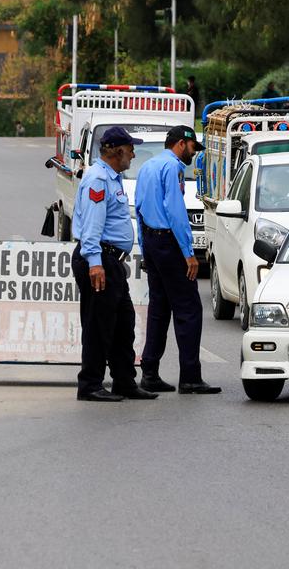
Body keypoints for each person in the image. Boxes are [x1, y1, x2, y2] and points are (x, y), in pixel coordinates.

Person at [71, 127, 159, 402]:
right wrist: (95, 263)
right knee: (99, 325)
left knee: (123, 323)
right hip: (99, 260)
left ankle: (124, 381)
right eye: (131, 149)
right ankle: (90, 384)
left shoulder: (112, 177)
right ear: (118, 151)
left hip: (111, 261)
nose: (133, 155)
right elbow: (91, 226)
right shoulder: (98, 180)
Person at [135, 125, 221, 395]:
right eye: (193, 147)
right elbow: (175, 211)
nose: (194, 154)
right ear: (182, 143)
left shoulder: (147, 167)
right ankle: (190, 377)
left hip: (152, 241)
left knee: (159, 309)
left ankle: (149, 372)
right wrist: (188, 253)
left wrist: (145, 249)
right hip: (170, 243)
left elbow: (139, 208)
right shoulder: (173, 168)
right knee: (189, 309)